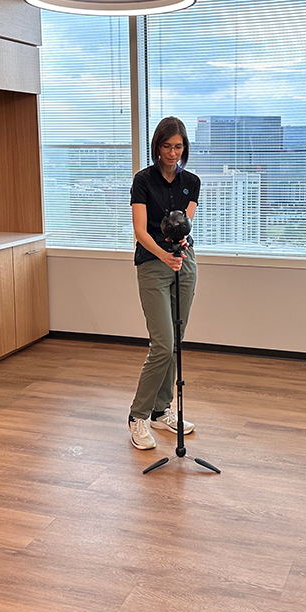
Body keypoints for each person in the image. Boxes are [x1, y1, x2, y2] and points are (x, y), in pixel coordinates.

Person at [128, 116, 200, 450]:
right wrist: (163, 256)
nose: (173, 153)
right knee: (162, 344)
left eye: (178, 146)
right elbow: (140, 230)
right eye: (167, 146)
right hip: (153, 264)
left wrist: (179, 249)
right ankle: (138, 416)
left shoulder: (192, 182)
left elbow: (184, 224)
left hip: (184, 264)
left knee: (176, 344)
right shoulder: (143, 181)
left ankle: (161, 410)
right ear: (157, 146)